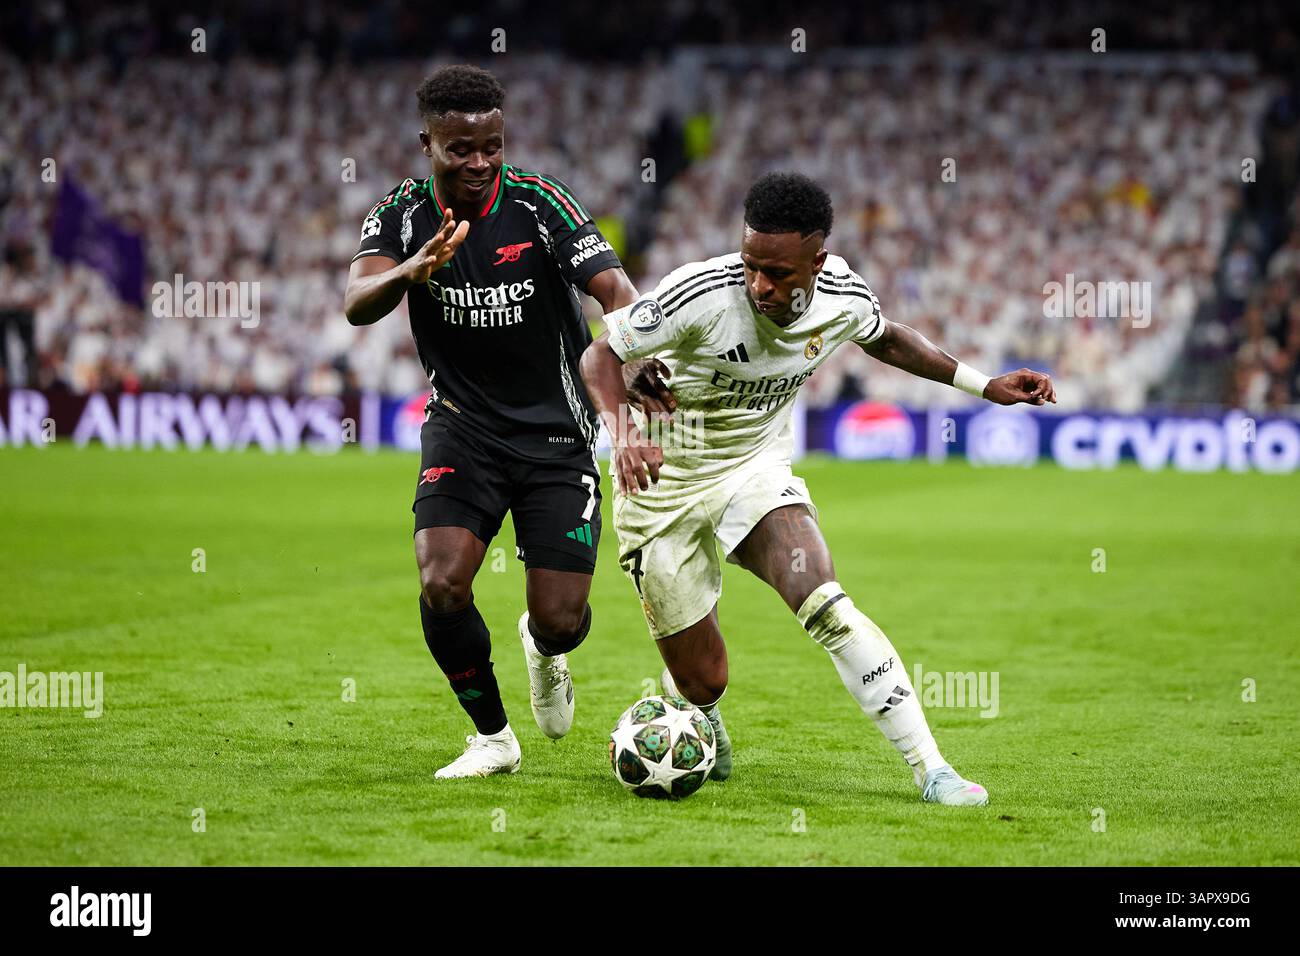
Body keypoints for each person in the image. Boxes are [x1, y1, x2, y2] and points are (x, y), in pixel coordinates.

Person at [580, 171, 1057, 804]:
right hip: (662, 486)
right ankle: (699, 710)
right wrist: (624, 432)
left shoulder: (843, 295)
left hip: (754, 470)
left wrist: (983, 385)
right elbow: (599, 356)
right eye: (751, 266)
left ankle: (932, 768)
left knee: (823, 600)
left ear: (817, 261)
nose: (759, 285)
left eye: (778, 273)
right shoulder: (698, 294)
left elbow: (888, 338)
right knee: (703, 679)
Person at [343, 64, 666, 778]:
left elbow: (611, 285)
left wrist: (634, 351)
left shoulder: (538, 202)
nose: (480, 162)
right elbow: (357, 300)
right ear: (427, 141)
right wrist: (411, 273)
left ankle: (545, 651)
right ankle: (493, 737)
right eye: (461, 149)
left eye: (492, 144)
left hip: (557, 431)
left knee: (559, 618)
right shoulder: (398, 214)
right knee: (442, 582)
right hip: (463, 427)